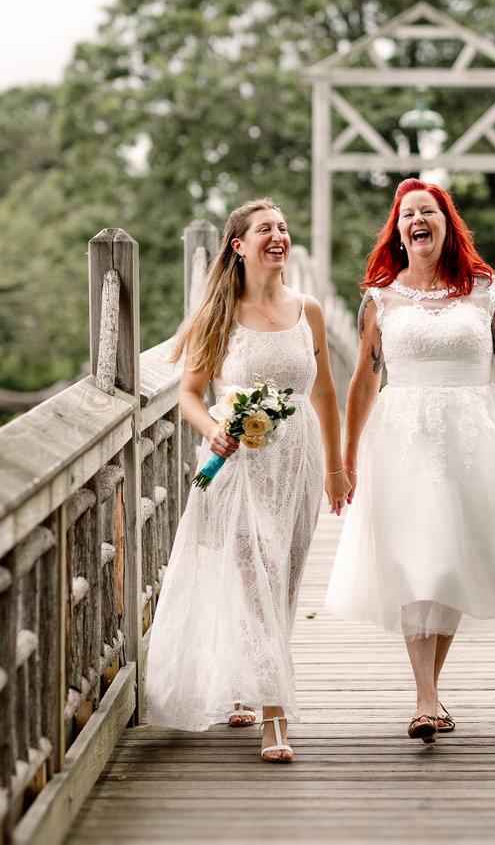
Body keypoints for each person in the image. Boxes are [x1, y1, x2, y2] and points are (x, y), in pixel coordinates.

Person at [325, 178, 495, 743]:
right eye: (407, 216)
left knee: (449, 563)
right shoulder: (379, 298)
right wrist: (345, 461)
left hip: (475, 438)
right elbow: (362, 383)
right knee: (415, 560)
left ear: (446, 224)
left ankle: (431, 691)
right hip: (402, 440)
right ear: (398, 231)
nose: (417, 221)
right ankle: (426, 698)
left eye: (428, 212)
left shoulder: (485, 290)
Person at [145, 199, 351, 763]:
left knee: (279, 580)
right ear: (238, 246)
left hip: (300, 460)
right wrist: (213, 427)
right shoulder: (219, 312)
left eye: (283, 228)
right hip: (241, 463)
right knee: (256, 566)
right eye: (266, 229)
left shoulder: (308, 309)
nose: (278, 236)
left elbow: (326, 392)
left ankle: (248, 683)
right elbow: (189, 392)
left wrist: (336, 467)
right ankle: (274, 718)